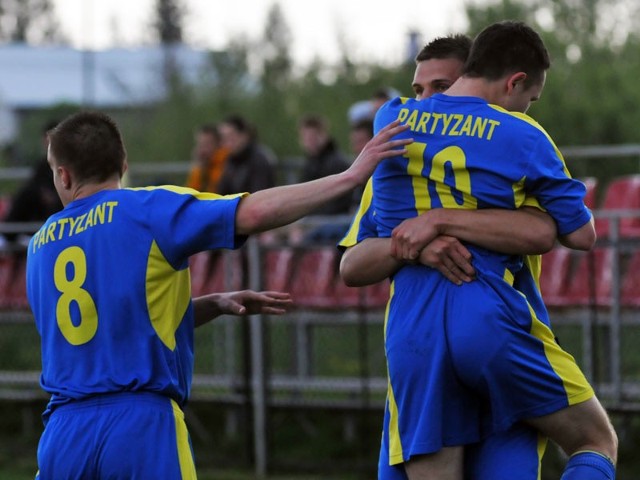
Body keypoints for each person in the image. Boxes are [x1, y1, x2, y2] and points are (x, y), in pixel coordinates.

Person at [27, 110, 411, 479]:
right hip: (138, 423)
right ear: (123, 164)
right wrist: (349, 176)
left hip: (63, 432)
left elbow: (105, 323)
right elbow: (255, 213)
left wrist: (207, 306)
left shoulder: (39, 245)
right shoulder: (148, 209)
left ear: (62, 175)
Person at [349, 22, 617, 479]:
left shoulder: (390, 124)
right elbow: (577, 235)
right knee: (596, 440)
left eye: (437, 86)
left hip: (414, 331)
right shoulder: (522, 136)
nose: (426, 95)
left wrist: (431, 225)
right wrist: (425, 242)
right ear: (515, 83)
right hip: (489, 313)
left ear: (465, 71)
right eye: (529, 98)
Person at [1, 120, 63, 247]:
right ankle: (8, 233)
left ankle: (11, 233)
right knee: (27, 194)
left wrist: (53, 196)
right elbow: (34, 185)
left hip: (60, 207)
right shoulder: (42, 164)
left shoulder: (68, 163)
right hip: (42, 209)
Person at [298, 114, 352, 215]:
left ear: (323, 135)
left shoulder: (335, 163)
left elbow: (336, 205)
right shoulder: (310, 163)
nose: (309, 142)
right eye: (305, 137)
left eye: (312, 137)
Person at [216, 114, 276, 195]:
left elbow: (258, 194)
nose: (226, 143)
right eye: (223, 138)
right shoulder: (231, 160)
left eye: (231, 136)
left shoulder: (259, 160)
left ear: (244, 135)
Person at [185, 124, 228, 193]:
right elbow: (191, 192)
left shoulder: (227, 164)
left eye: (207, 144)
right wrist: (199, 168)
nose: (203, 149)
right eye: (200, 144)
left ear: (219, 144)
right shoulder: (202, 166)